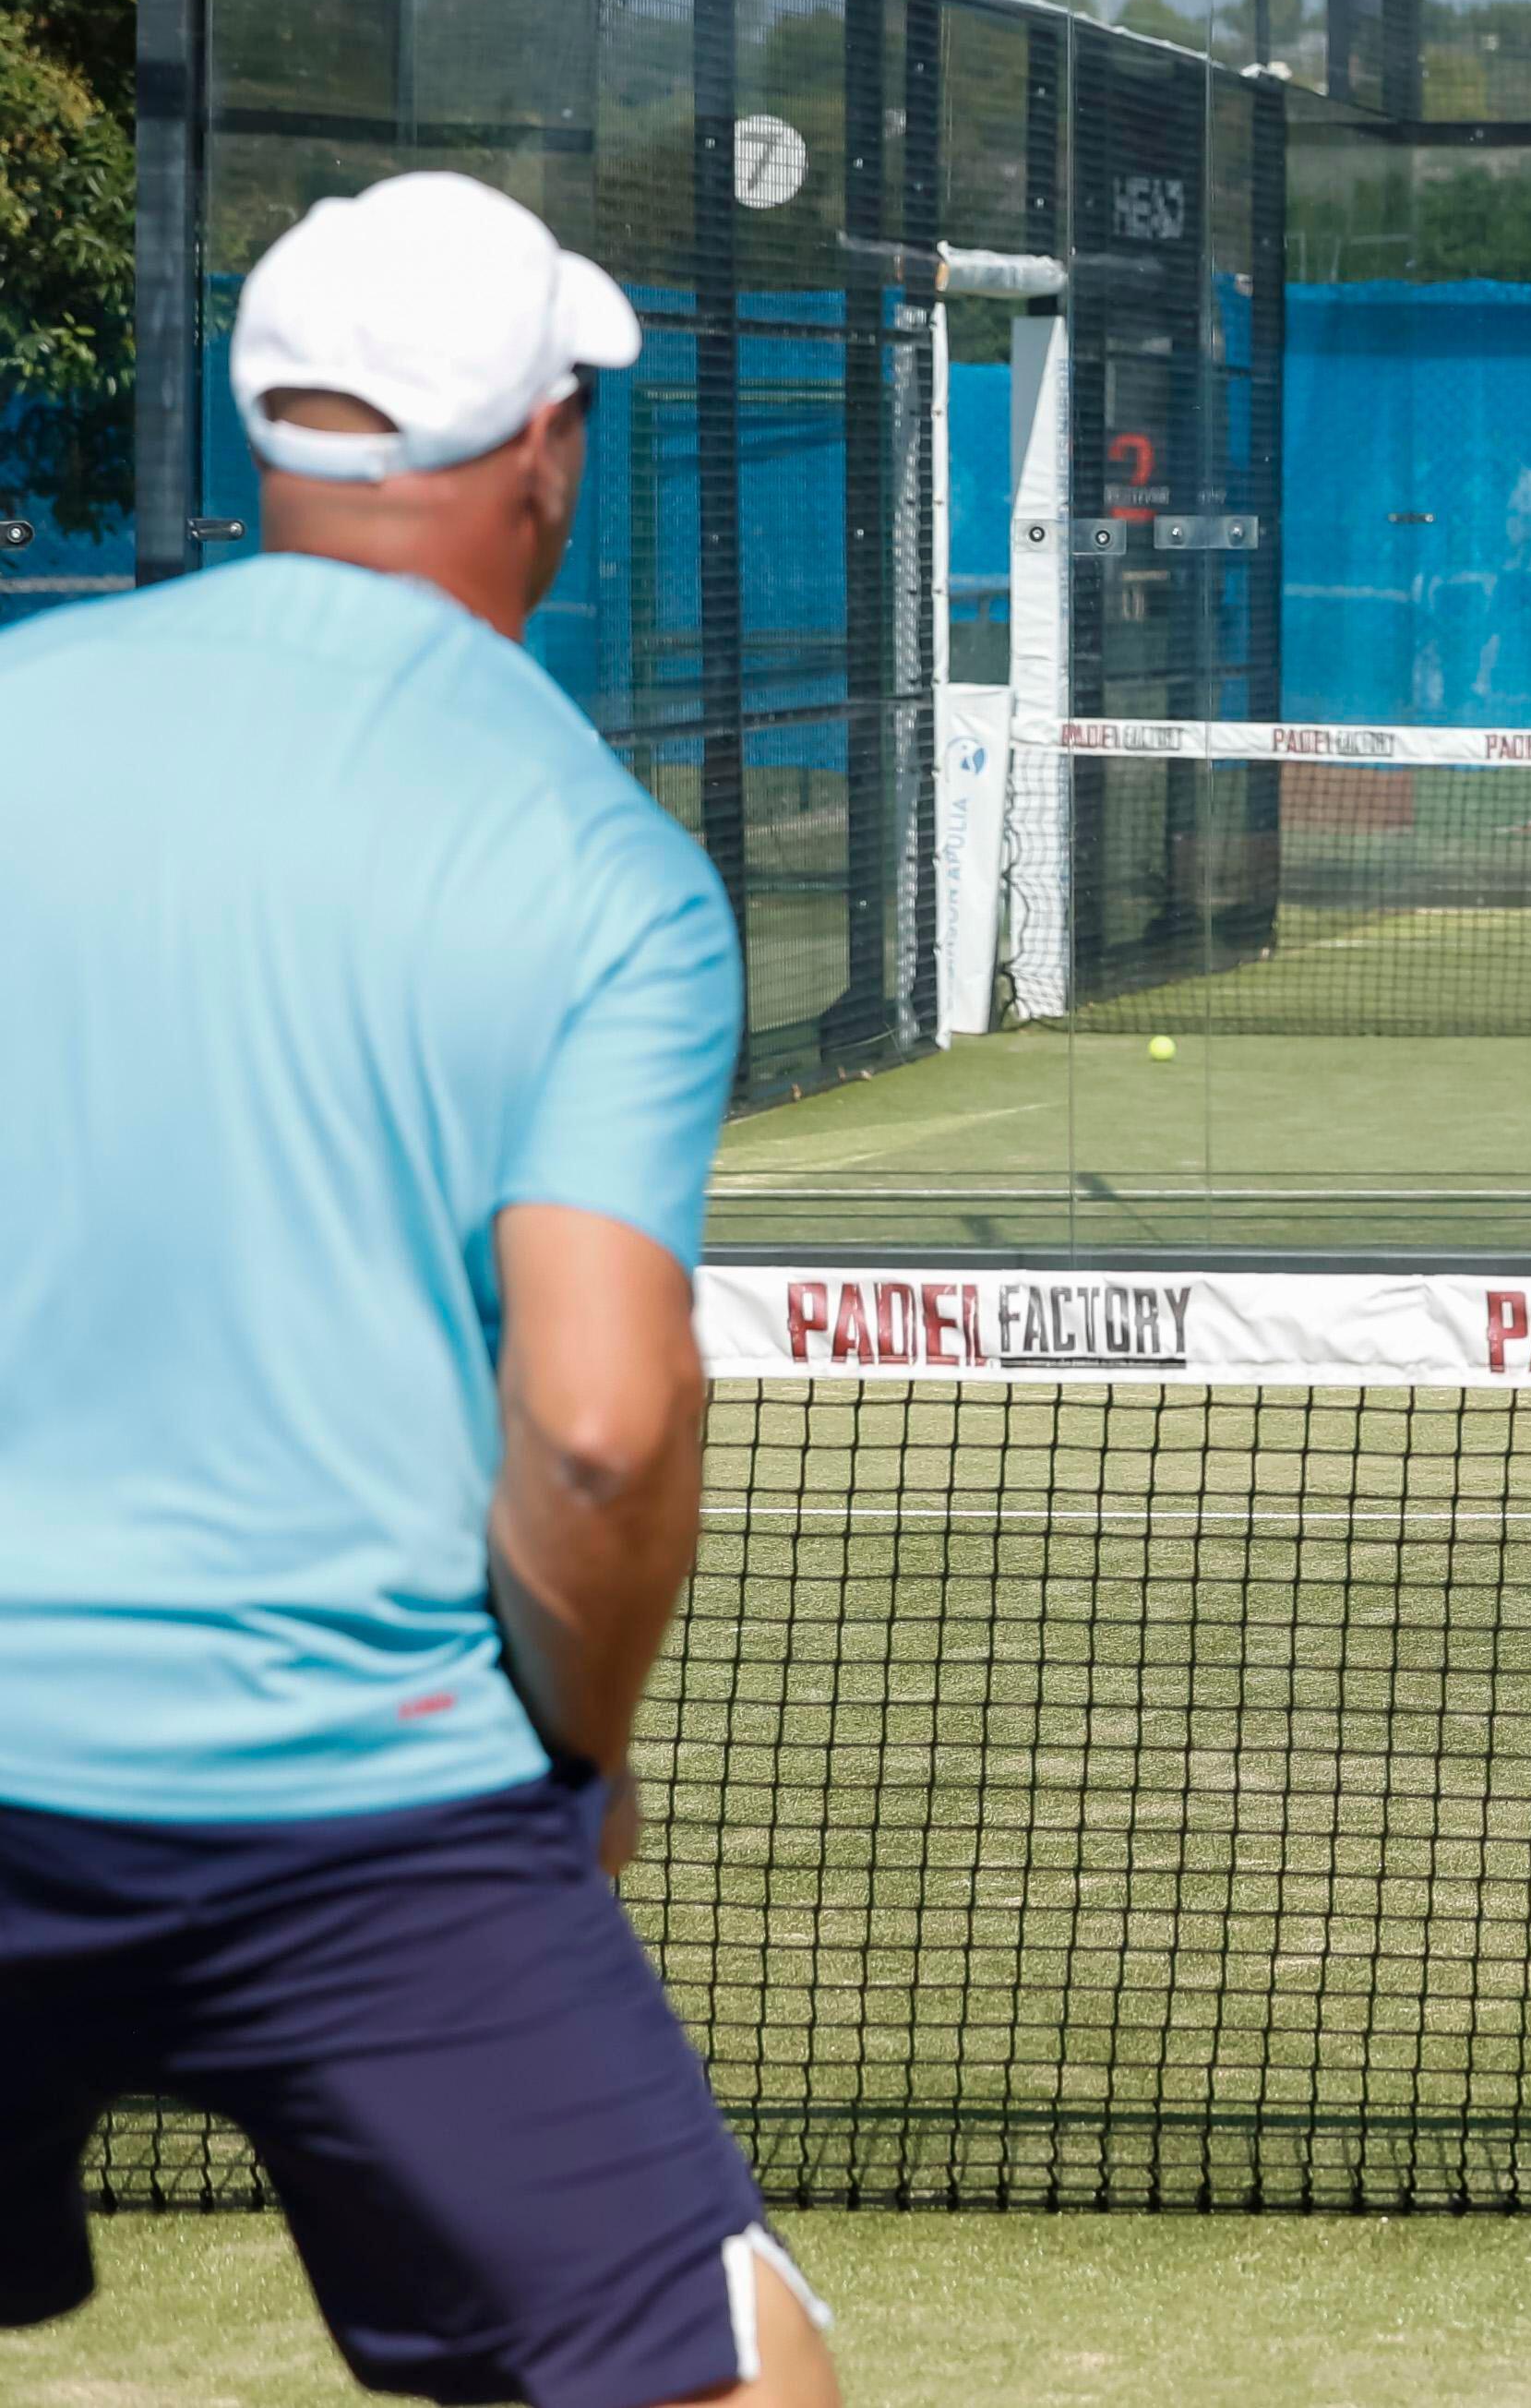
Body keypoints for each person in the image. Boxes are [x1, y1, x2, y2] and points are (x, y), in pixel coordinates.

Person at [0, 174, 840, 2403]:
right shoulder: (596, 868)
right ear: (548, 442)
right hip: (367, 1800)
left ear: (270, 425)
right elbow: (595, 1420)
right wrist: (577, 1750)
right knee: (725, 2375)